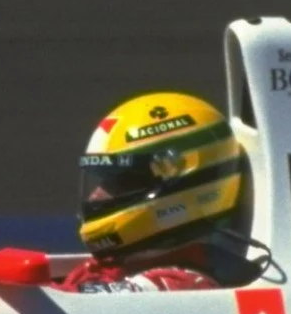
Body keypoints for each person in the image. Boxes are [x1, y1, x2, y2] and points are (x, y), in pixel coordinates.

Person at [59, 92, 261, 292]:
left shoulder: (182, 284)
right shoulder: (110, 269)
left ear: (176, 180)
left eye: (122, 182)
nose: (96, 196)